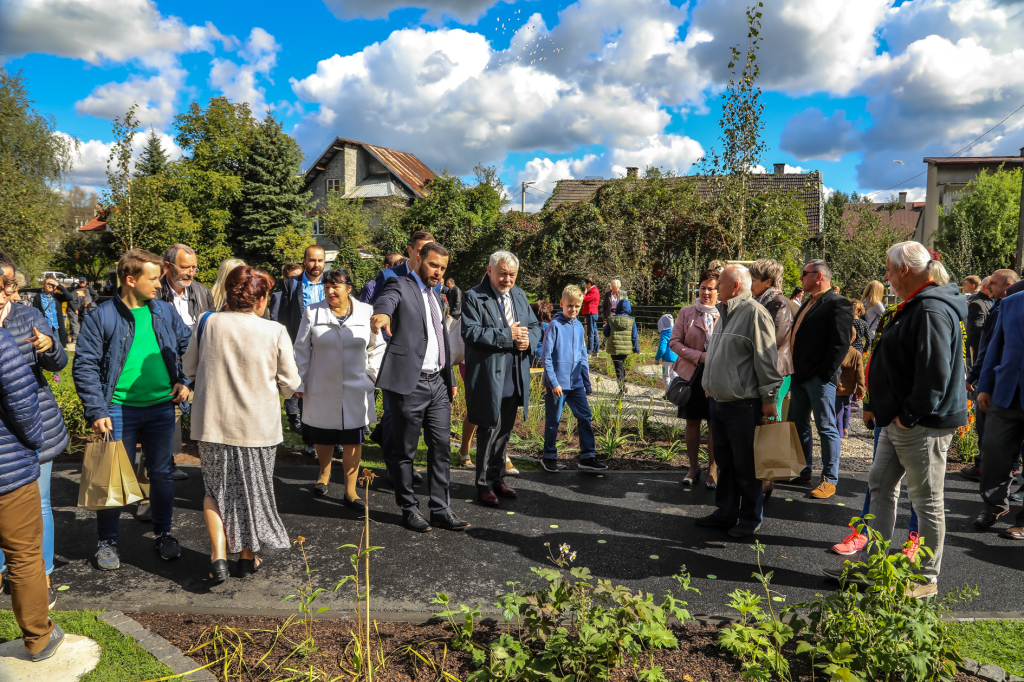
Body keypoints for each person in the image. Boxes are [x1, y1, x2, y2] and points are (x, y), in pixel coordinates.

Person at [842, 242, 966, 598]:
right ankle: (874, 565)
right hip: (899, 422)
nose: (886, 277)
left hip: (920, 423)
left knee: (927, 501)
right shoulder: (919, 305)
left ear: (905, 271)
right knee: (879, 485)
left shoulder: (930, 309)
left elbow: (934, 373)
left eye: (889, 270)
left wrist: (907, 415)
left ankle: (926, 579)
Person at [72, 249, 192, 571]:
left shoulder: (164, 311)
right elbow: (84, 365)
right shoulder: (102, 316)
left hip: (161, 409)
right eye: (152, 278)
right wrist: (97, 410)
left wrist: (185, 380)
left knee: (162, 475)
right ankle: (107, 542)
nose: (159, 283)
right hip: (117, 409)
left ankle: (163, 533)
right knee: (111, 477)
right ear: (130, 279)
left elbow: (189, 348)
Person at [182, 266, 300, 582]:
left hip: (213, 424)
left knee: (215, 490)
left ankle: (218, 554)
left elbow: (189, 367)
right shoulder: (274, 331)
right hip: (257, 427)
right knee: (254, 492)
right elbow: (290, 382)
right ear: (260, 298)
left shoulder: (207, 323)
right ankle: (247, 558)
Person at [371, 242, 469, 533]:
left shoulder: (437, 297)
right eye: (433, 265)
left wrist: (449, 380)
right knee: (405, 451)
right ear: (417, 259)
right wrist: (384, 314)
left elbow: (441, 342)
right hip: (409, 384)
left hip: (437, 383)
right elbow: (386, 301)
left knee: (441, 448)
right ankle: (409, 509)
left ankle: (440, 509)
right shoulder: (399, 284)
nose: (437, 272)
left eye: (442, 267)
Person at [0, 259, 70, 608]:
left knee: (38, 503)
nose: (4, 295)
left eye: (9, 286)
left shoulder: (26, 316)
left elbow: (58, 364)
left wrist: (49, 346)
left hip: (33, 427)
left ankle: (40, 577)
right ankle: (5, 572)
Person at [694, 265, 782, 538]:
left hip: (744, 405)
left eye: (719, 283)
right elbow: (719, 355)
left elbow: (766, 360)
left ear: (734, 287)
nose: (714, 287)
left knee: (747, 465)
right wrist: (709, 384)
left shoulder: (754, 314)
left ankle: (750, 518)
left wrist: (769, 400)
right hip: (720, 403)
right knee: (725, 462)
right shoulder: (724, 314)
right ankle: (726, 512)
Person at [0, 324, 64, 662]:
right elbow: (22, 397)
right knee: (24, 556)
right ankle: (39, 638)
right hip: (6, 469)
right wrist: (34, 441)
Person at [293, 269, 383, 507]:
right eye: (326, 287)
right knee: (323, 434)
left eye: (336, 287)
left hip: (356, 385)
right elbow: (301, 349)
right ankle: (324, 473)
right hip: (321, 384)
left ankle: (350, 491)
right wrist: (300, 381)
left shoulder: (366, 311)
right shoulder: (313, 312)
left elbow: (378, 346)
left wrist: (372, 375)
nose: (330, 291)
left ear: (349, 288)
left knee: (353, 437)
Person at [463, 250, 544, 505]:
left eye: (512, 274)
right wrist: (508, 336)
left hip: (514, 373)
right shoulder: (474, 296)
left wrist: (528, 339)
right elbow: (471, 332)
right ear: (489, 271)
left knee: (504, 432)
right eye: (502, 274)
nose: (507, 279)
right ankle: (483, 484)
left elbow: (535, 327)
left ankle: (497, 479)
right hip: (489, 374)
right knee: (487, 429)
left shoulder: (519, 294)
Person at [789, 259, 853, 499]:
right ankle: (804, 470)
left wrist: (823, 375)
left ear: (818, 276)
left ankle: (830, 479)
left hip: (818, 378)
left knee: (826, 428)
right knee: (799, 424)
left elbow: (840, 343)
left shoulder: (838, 303)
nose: (800, 278)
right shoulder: (809, 302)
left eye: (804, 274)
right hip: (800, 375)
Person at [160, 244, 215, 487]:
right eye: (185, 267)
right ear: (168, 266)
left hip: (198, 366)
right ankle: (164, 466)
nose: (190, 273)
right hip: (165, 365)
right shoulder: (155, 292)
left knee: (204, 414)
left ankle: (211, 468)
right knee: (167, 417)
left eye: (194, 267)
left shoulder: (202, 292)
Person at [963, 269, 1021, 481]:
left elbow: (989, 350)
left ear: (1007, 286)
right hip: (1002, 382)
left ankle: (988, 471)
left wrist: (974, 377)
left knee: (990, 433)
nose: (988, 288)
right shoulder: (999, 307)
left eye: (993, 284)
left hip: (999, 384)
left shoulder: (1000, 309)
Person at [670, 269, 721, 488]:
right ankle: (693, 467)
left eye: (711, 288)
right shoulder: (686, 312)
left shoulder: (726, 313)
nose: (706, 292)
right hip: (691, 376)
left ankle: (713, 468)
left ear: (719, 290)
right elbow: (674, 342)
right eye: (703, 287)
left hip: (717, 376)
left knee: (714, 423)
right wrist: (698, 356)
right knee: (692, 421)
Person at [275, 247, 326, 457]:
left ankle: (333, 437)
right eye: (312, 261)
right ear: (304, 261)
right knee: (303, 392)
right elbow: (284, 316)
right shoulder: (291, 284)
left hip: (326, 345)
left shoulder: (332, 282)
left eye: (320, 261)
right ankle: (310, 441)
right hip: (300, 345)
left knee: (329, 392)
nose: (316, 265)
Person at [541, 285, 597, 471]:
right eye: (569, 305)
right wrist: (553, 382)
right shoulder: (554, 326)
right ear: (562, 304)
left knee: (585, 416)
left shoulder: (580, 326)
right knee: (554, 420)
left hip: (576, 384)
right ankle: (549, 456)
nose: (573, 309)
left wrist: (586, 383)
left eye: (577, 306)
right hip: (557, 385)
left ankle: (587, 456)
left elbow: (583, 356)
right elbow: (546, 358)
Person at [749, 259, 793, 424]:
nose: (749, 284)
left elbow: (774, 340)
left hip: (776, 371)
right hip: (766, 369)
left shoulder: (779, 303)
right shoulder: (760, 302)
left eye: (753, 280)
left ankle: (775, 450)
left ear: (768, 282)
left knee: (771, 418)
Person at [366, 232, 438, 306]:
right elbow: (374, 308)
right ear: (409, 250)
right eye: (421, 252)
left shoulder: (434, 281)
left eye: (429, 253)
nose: (425, 256)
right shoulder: (387, 276)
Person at [603, 299, 639, 395]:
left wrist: (604, 327)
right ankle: (623, 386)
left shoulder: (611, 319)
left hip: (614, 349)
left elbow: (606, 334)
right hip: (626, 349)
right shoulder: (631, 321)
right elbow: (634, 336)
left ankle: (621, 389)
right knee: (621, 366)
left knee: (618, 368)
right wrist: (636, 348)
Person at [835, 328, 865, 440]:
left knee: (838, 409)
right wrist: (861, 389)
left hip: (838, 387)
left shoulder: (838, 352)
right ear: (853, 339)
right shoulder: (856, 354)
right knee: (846, 406)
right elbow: (860, 373)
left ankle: (839, 433)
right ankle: (845, 429)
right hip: (850, 388)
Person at [31, 276, 77, 348]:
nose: (50, 286)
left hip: (56, 327)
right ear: (44, 285)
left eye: (52, 284)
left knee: (57, 347)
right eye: (48, 283)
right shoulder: (38, 297)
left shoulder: (57, 296)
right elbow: (35, 312)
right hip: (44, 327)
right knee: (45, 347)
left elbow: (70, 297)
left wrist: (59, 286)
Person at [966, 275, 994, 367]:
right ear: (985, 286)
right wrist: (995, 328)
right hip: (976, 354)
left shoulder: (990, 300)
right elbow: (975, 327)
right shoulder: (977, 303)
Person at [654, 313, 678, 389]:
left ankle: (668, 393)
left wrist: (657, 359)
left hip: (667, 359)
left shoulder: (664, 334)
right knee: (674, 375)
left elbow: (662, 349)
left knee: (666, 376)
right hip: (677, 357)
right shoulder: (676, 332)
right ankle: (678, 390)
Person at [531, 300, 554, 365]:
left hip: (530, 357)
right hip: (542, 358)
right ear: (546, 313)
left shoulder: (529, 325)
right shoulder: (546, 326)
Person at [581, 277, 600, 354]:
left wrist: (584, 292)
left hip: (591, 313)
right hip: (591, 313)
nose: (585, 285)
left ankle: (589, 351)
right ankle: (595, 350)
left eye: (586, 284)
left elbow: (584, 299)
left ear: (589, 284)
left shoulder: (593, 291)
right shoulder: (593, 290)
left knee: (590, 333)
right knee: (594, 332)